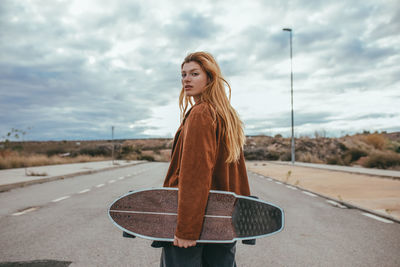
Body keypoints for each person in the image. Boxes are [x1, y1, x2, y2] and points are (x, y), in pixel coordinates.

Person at [158, 51, 251, 267]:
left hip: (195, 224)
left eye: (194, 73)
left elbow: (195, 176)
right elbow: (238, 174)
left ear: (209, 78)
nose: (186, 79)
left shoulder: (201, 114)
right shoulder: (226, 115)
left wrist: (187, 230)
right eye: (183, 75)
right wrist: (242, 220)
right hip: (222, 221)